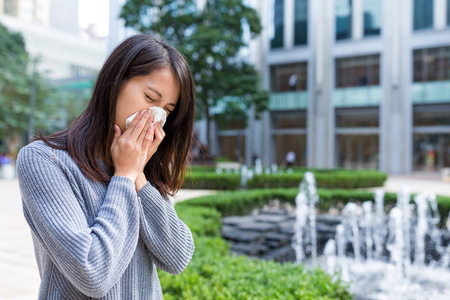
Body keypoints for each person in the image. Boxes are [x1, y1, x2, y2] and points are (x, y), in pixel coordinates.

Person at [16, 34, 195, 299]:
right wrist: (123, 176)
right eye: (149, 97)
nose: (156, 117)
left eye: (167, 110)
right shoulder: (44, 161)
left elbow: (177, 257)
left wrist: (138, 178)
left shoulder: (143, 168)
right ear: (114, 85)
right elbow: (92, 273)